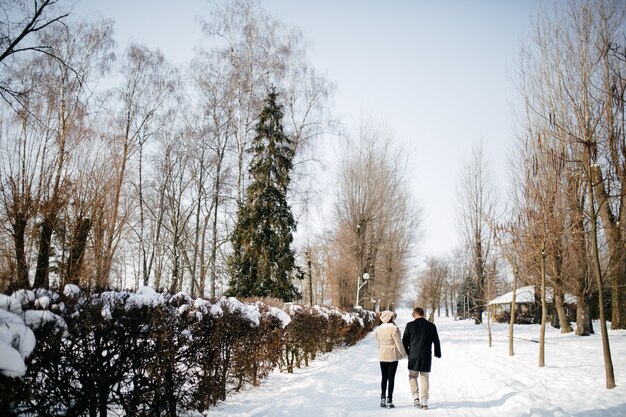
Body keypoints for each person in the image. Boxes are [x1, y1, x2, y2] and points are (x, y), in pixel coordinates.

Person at [402, 307, 441, 410]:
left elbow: (404, 341)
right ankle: (424, 401)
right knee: (424, 378)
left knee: (412, 376)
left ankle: (415, 398)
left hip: (413, 355)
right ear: (423, 314)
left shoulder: (410, 325)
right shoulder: (431, 326)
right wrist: (438, 352)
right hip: (426, 355)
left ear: (414, 315)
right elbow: (436, 341)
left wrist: (405, 352)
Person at [376, 310, 407, 409]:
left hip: (382, 355)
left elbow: (378, 343)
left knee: (384, 378)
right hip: (392, 356)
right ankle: (389, 400)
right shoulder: (394, 329)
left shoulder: (379, 329)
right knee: (391, 378)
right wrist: (404, 354)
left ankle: (382, 398)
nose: (394, 318)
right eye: (393, 317)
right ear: (390, 317)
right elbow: (399, 344)